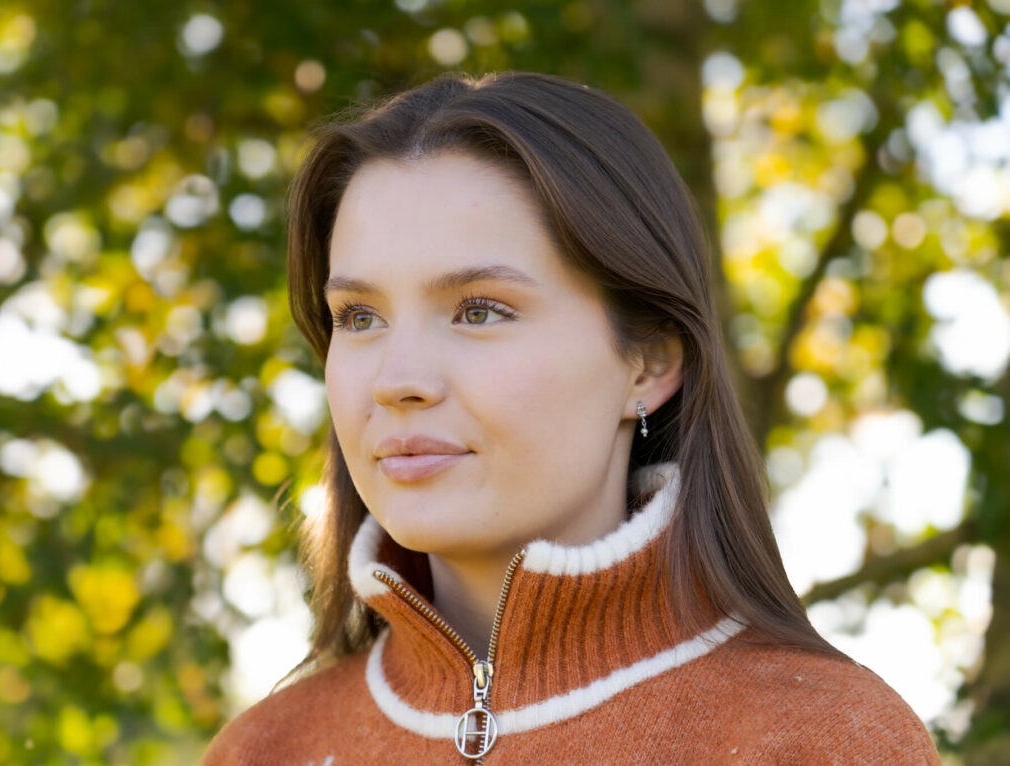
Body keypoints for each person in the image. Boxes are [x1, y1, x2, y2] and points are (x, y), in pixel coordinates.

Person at [203, 71, 939, 764]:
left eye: (479, 310)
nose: (397, 380)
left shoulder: (822, 740)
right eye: (359, 317)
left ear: (647, 363)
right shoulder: (266, 750)